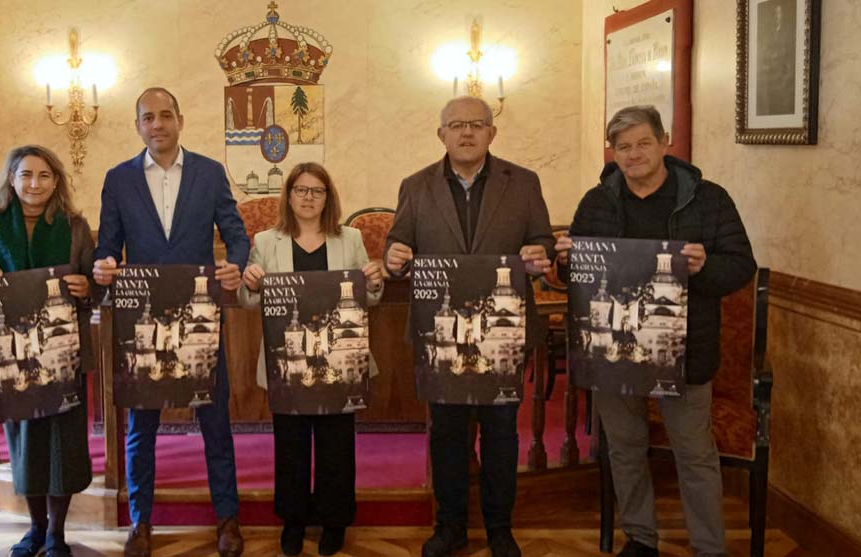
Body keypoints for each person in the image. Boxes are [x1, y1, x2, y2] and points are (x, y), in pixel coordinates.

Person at [555, 105, 756, 557]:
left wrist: (705, 267)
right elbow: (577, 279)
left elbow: (741, 266)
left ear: (665, 142)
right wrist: (566, 262)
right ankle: (641, 539)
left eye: (643, 142)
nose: (634, 154)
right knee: (624, 448)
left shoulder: (708, 199)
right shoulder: (596, 201)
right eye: (623, 147)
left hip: (685, 349)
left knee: (695, 455)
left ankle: (710, 548)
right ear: (614, 153)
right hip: (614, 348)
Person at [384, 96, 555, 557]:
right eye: (456, 125)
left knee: (502, 433)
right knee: (448, 434)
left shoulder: (522, 182)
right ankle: (450, 528)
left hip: (504, 332)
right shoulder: (415, 186)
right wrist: (393, 257)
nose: (466, 133)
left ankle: (501, 529)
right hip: (442, 334)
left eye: (476, 125)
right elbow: (398, 244)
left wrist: (541, 256)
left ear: (491, 133)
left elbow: (541, 241)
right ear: (441, 134)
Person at [93, 87, 248, 557]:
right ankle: (141, 522)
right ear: (137, 125)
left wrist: (235, 264)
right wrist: (102, 264)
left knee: (215, 422)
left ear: (180, 119)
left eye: (165, 116)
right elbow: (108, 245)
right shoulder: (118, 180)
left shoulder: (209, 172)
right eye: (147, 118)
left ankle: (228, 520)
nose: (157, 124)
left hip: (200, 315)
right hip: (142, 321)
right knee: (141, 428)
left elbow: (236, 236)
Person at [0, 145, 94, 557]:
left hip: (64, 354)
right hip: (12, 359)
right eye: (26, 175)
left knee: (63, 447)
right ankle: (35, 529)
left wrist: (88, 288)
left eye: (44, 175)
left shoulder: (76, 227)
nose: (35, 184)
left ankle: (57, 536)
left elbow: (95, 285)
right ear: (11, 179)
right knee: (27, 446)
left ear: (56, 181)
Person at [238, 162, 384, 556]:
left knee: (337, 445)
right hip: (288, 363)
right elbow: (251, 302)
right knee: (292, 445)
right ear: (288, 196)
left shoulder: (350, 238)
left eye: (316, 191)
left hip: (340, 359)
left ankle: (335, 521)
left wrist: (373, 281)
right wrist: (250, 283)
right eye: (300, 190)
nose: (307, 197)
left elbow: (367, 298)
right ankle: (294, 519)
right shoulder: (266, 241)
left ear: (328, 198)